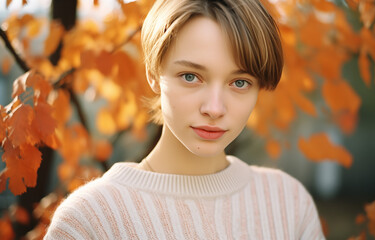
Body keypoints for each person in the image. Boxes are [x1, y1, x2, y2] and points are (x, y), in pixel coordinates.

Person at [45, 0, 325, 239]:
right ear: (153, 74)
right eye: (191, 77)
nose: (214, 109)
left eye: (239, 82)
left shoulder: (288, 204)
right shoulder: (88, 221)